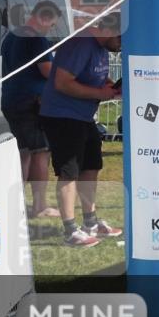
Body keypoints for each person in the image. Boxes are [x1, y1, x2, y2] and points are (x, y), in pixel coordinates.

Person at [38, 13, 123, 247]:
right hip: (62, 116)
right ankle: (70, 230)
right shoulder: (82, 43)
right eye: (121, 39)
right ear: (109, 30)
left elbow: (95, 75)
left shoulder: (101, 47)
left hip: (83, 117)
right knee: (69, 172)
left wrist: (107, 85)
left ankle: (91, 222)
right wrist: (99, 93)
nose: (122, 45)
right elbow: (62, 82)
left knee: (91, 167)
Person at [0, 0, 62, 218]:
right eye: (52, 24)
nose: (51, 29)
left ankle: (16, 205)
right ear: (43, 18)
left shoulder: (11, 36)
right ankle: (40, 206)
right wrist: (67, 74)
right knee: (40, 152)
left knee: (24, 153)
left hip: (11, 100)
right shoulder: (35, 37)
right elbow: (47, 69)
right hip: (31, 103)